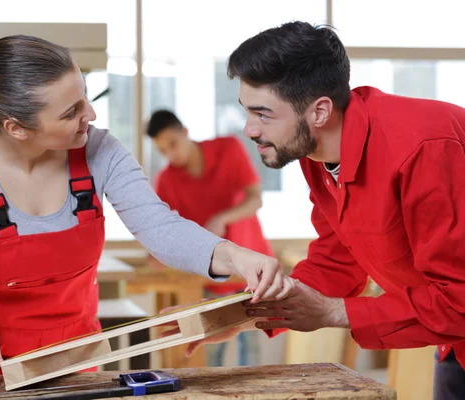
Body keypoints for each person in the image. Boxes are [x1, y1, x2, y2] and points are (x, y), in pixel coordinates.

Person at [0, 34, 292, 377]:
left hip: (78, 363)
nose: (90, 114)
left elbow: (160, 227)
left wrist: (235, 257)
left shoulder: (99, 151)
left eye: (85, 98)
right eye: (71, 111)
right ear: (17, 128)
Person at [173, 21, 465, 399]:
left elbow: (458, 298)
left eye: (263, 114)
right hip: (454, 345)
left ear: (320, 111)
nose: (249, 129)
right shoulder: (319, 156)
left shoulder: (424, 148)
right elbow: (337, 260)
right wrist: (245, 314)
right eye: (247, 111)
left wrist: (332, 312)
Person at [146, 109, 275, 366]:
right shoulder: (166, 180)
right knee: (210, 349)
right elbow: (164, 230)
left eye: (173, 144)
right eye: (163, 151)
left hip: (251, 267)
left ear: (185, 132)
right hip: (208, 277)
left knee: (251, 351)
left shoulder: (229, 148)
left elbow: (255, 198)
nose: (171, 155)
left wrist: (222, 218)